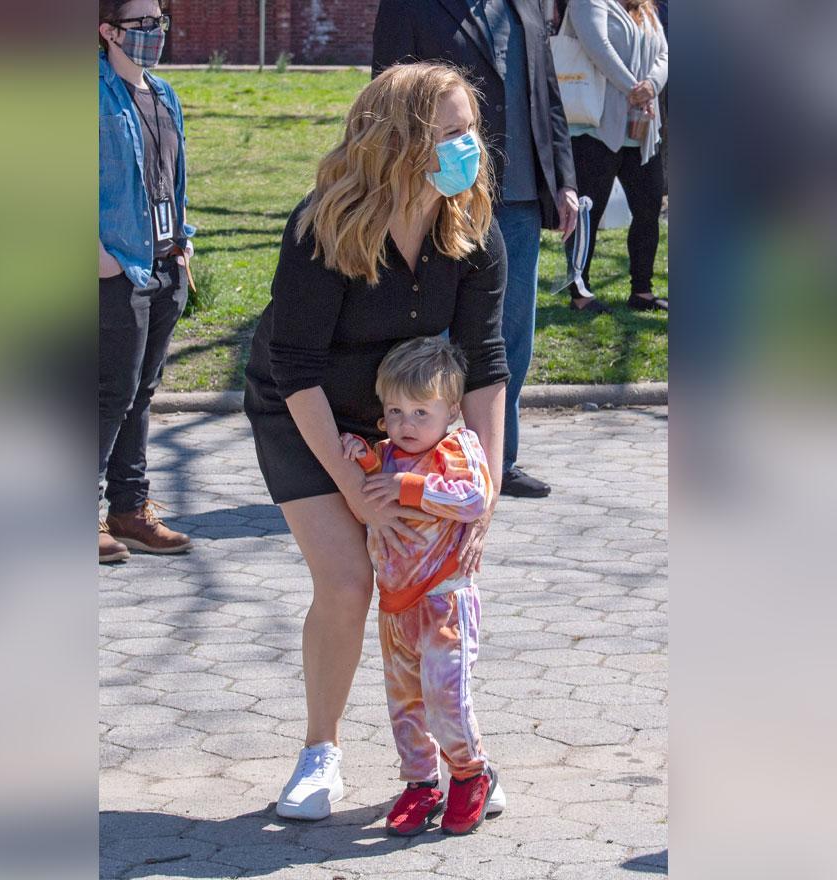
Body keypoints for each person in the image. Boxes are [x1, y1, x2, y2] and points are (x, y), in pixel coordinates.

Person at [241, 63, 509, 822]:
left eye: (473, 132)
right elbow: (294, 368)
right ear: (402, 140)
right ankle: (318, 754)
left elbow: (486, 363)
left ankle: (462, 765)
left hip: (409, 427)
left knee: (433, 598)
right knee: (351, 583)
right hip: (306, 414)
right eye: (453, 133)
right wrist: (353, 484)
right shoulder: (324, 226)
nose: (472, 149)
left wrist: (482, 485)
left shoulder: (472, 229)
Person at [373, 0, 581, 500]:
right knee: (437, 335)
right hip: (442, 196)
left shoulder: (527, 5)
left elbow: (545, 93)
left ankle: (495, 462)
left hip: (521, 197)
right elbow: (387, 100)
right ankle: (423, 460)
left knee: (511, 335)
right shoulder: (409, 7)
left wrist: (565, 181)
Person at [338, 336, 506, 836]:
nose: (406, 425)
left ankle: (471, 773)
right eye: (394, 411)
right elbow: (371, 485)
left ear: (451, 411)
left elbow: (475, 497)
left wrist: (409, 487)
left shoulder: (458, 448)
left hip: (444, 600)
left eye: (419, 412)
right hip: (395, 607)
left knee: (445, 696)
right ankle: (419, 782)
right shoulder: (387, 454)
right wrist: (363, 461)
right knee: (405, 702)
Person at [98, 0, 194, 562]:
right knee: (109, 393)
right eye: (141, 25)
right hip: (118, 269)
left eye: (160, 23)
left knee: (142, 392)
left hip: (164, 264)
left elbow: (174, 176)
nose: (154, 34)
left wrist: (184, 242)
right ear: (107, 31)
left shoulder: (163, 95)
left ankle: (130, 510)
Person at [562, 0, 669, 312]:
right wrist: (634, 88)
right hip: (596, 129)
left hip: (643, 131)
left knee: (648, 210)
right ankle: (580, 292)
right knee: (586, 216)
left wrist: (651, 85)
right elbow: (598, 47)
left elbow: (664, 53)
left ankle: (642, 291)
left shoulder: (647, 7)